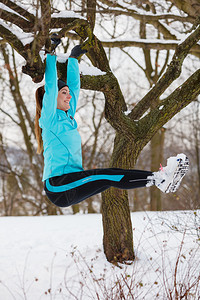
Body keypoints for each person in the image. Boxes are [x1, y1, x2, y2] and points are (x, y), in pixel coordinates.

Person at [35, 41, 189, 208]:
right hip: (58, 186)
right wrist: (50, 53)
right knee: (107, 176)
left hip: (72, 180)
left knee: (111, 174)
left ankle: (160, 178)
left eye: (68, 93)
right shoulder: (49, 119)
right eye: (63, 93)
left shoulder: (68, 117)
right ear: (51, 98)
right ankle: (160, 180)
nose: (69, 96)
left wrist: (73, 59)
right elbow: (51, 86)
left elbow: (74, 88)